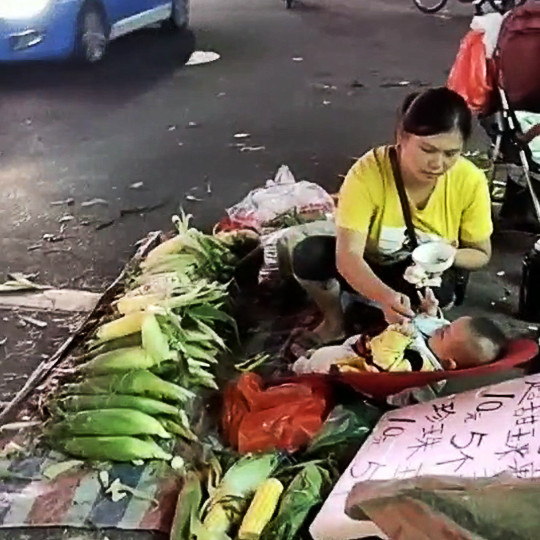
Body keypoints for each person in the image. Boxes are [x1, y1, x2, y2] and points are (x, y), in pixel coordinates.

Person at [292, 87, 493, 347]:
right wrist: (385, 296)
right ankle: (334, 323)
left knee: (438, 294)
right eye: (428, 149)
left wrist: (449, 256)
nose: (438, 164)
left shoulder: (470, 181)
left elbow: (481, 254)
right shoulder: (368, 172)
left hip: (423, 277)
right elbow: (348, 256)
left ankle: (398, 325)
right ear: (402, 137)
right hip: (371, 262)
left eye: (450, 153)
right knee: (309, 255)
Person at [293, 289, 508, 375]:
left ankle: (301, 367)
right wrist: (430, 311)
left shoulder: (419, 362)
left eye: (445, 332)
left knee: (324, 358)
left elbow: (386, 363)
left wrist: (400, 335)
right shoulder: (444, 337)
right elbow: (437, 324)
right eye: (447, 324)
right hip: (367, 341)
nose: (442, 326)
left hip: (363, 361)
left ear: (448, 363)